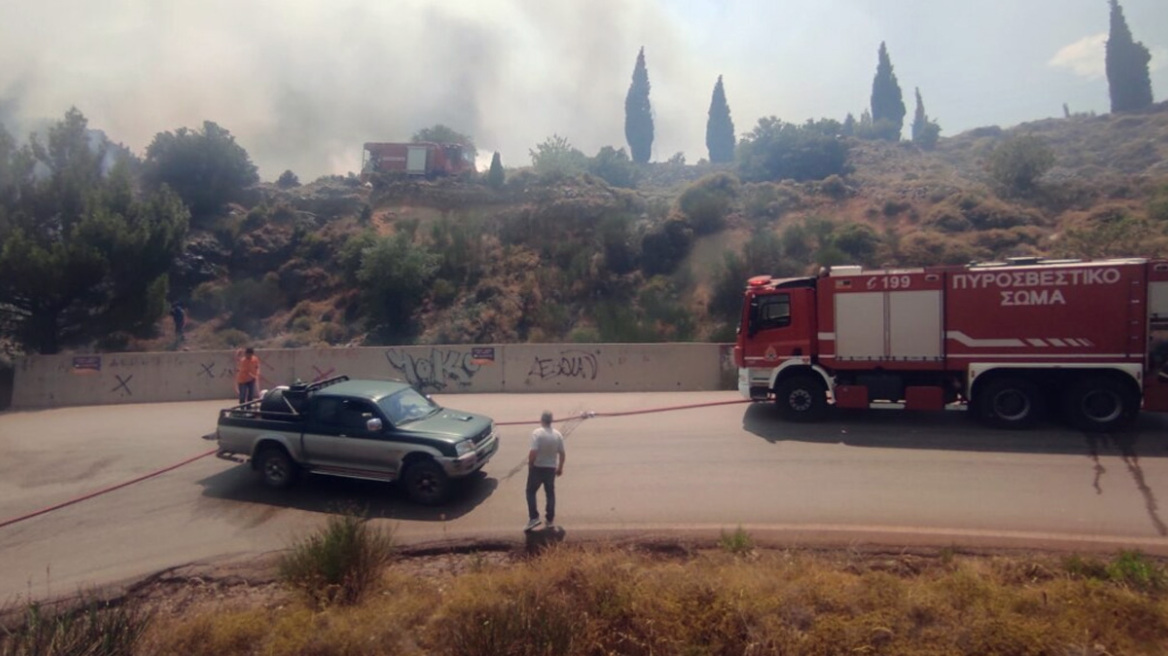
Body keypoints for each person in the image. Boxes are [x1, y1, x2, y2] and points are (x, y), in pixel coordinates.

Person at [525, 410, 566, 532]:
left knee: (530, 492)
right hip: (550, 469)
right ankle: (550, 519)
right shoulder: (557, 435)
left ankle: (534, 518)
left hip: (537, 468)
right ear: (551, 421)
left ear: (541, 420)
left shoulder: (537, 433)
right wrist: (560, 468)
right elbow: (562, 454)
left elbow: (533, 451)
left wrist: (530, 464)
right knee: (550, 493)